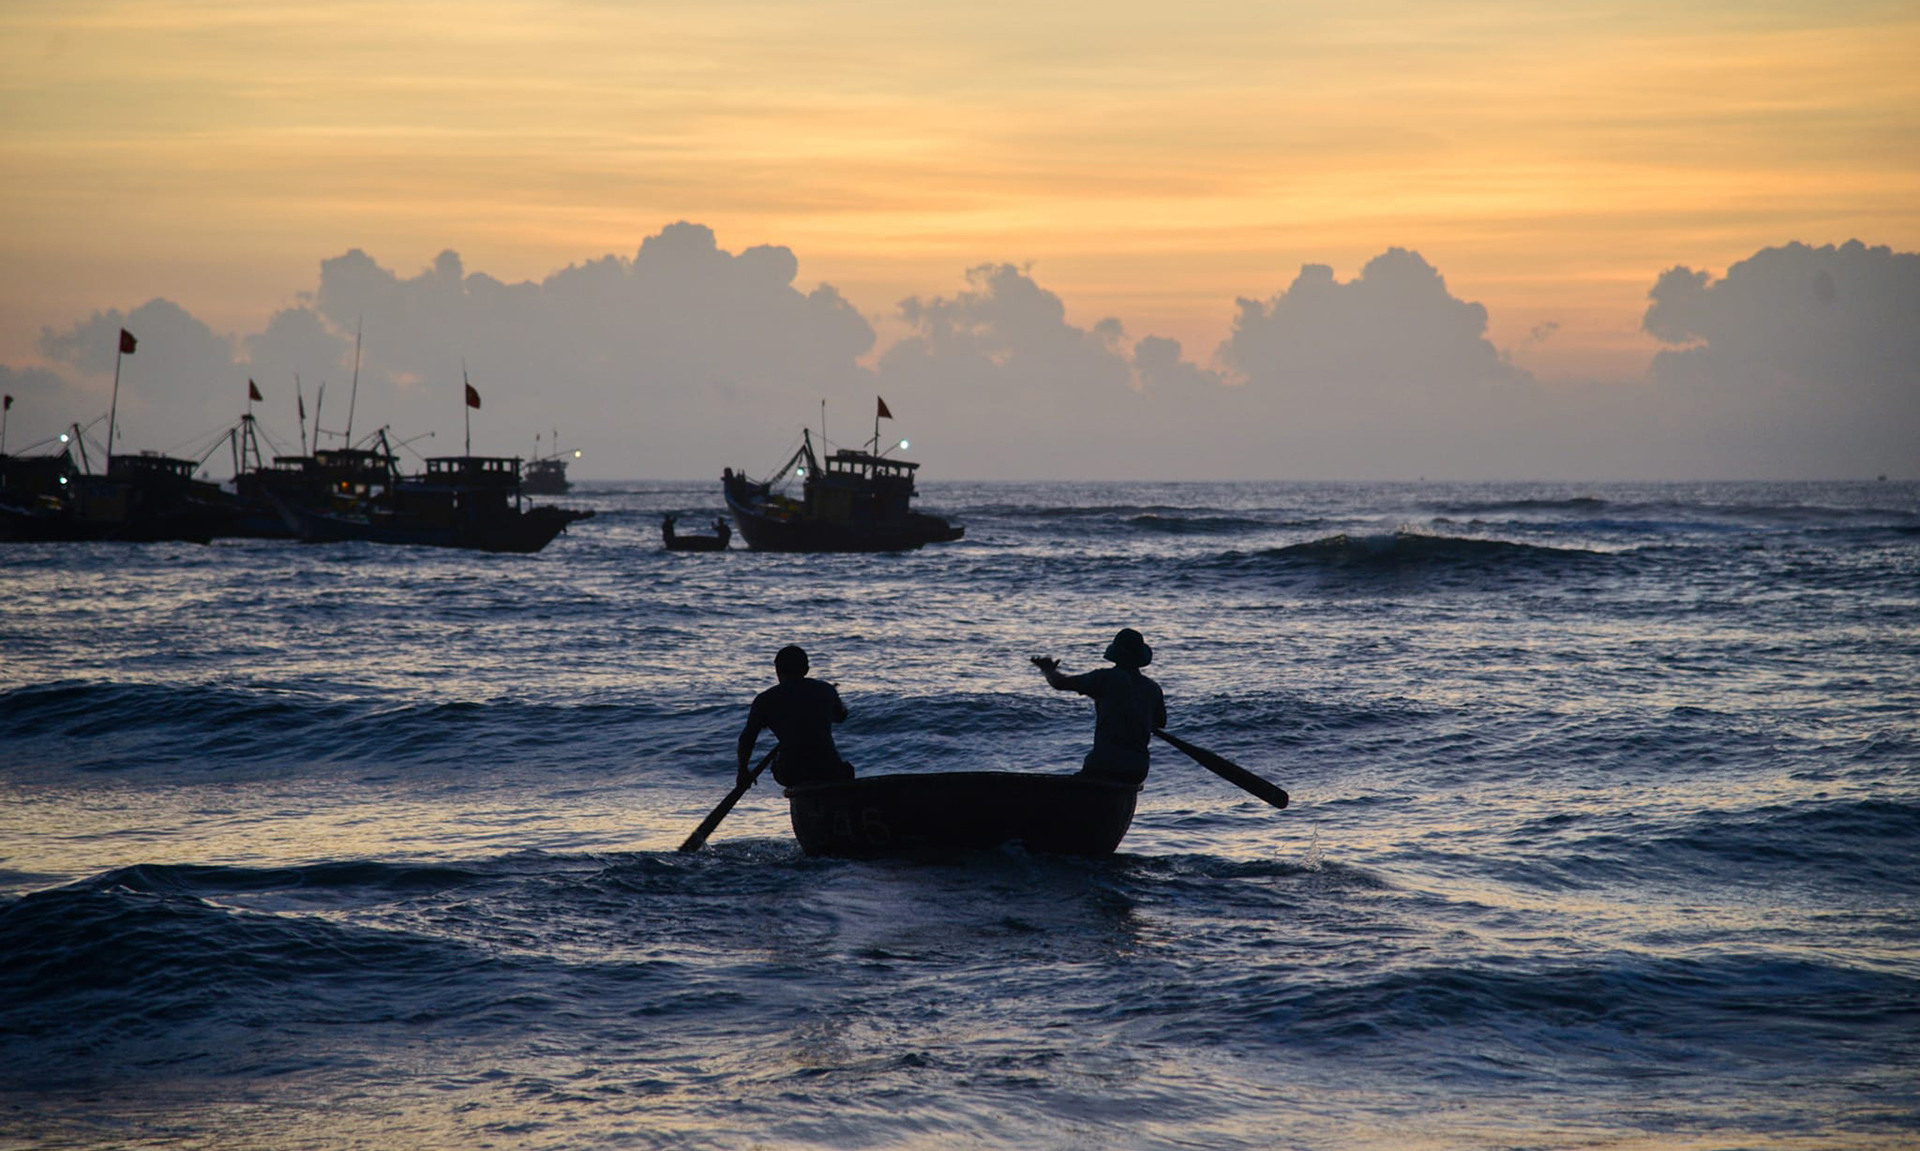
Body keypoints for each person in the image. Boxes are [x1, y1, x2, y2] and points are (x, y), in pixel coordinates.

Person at [1032, 628, 1167, 785]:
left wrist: (1047, 670)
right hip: (1137, 768)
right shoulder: (1153, 688)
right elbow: (1159, 722)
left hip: (1104, 764)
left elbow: (1059, 683)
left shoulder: (1104, 678)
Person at [738, 644, 853, 788]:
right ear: (806, 670)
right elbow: (840, 717)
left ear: (777, 670)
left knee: (780, 761)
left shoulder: (765, 699)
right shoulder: (825, 689)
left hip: (792, 772)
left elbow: (748, 738)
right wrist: (833, 698)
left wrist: (742, 770)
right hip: (830, 768)